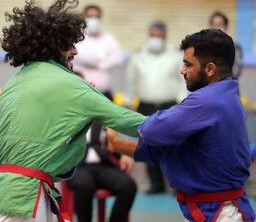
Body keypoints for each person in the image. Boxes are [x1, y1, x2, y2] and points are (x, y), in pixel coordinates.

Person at [0, 0, 146, 222]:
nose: (76, 51)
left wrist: (81, 105)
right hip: (26, 200)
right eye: (69, 44)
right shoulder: (70, 84)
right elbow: (129, 122)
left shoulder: (14, 82)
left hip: (0, 194)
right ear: (54, 45)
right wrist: (179, 126)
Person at [106, 29, 255, 222]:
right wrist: (116, 144)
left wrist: (109, 115)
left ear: (210, 69)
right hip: (217, 209)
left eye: (188, 65)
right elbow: (170, 152)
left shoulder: (207, 102)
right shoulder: (228, 97)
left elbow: (151, 131)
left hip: (219, 213)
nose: (182, 71)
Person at [126, 21, 187, 194]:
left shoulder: (175, 55)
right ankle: (156, 184)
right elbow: (131, 80)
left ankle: (176, 183)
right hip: (145, 106)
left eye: (158, 36)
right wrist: (129, 101)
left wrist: (181, 101)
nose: (155, 39)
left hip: (170, 106)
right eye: (152, 35)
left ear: (165, 37)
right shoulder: (139, 55)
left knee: (172, 146)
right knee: (148, 144)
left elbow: (183, 80)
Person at [67, 96, 136, 222]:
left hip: (104, 165)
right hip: (79, 167)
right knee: (84, 185)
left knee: (128, 185)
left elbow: (113, 141)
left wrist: (124, 154)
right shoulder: (67, 119)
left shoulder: (101, 118)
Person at [72, 5, 123, 99]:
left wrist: (99, 64)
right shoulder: (77, 37)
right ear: (84, 18)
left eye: (96, 17)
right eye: (90, 17)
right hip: (82, 93)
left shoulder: (109, 38)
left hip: (105, 94)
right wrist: (102, 56)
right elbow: (81, 56)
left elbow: (118, 58)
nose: (94, 20)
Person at [209, 11, 243, 80]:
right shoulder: (205, 47)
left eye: (219, 24)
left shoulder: (235, 47)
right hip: (211, 89)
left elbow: (236, 71)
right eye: (214, 25)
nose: (216, 28)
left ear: (226, 26)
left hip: (229, 88)